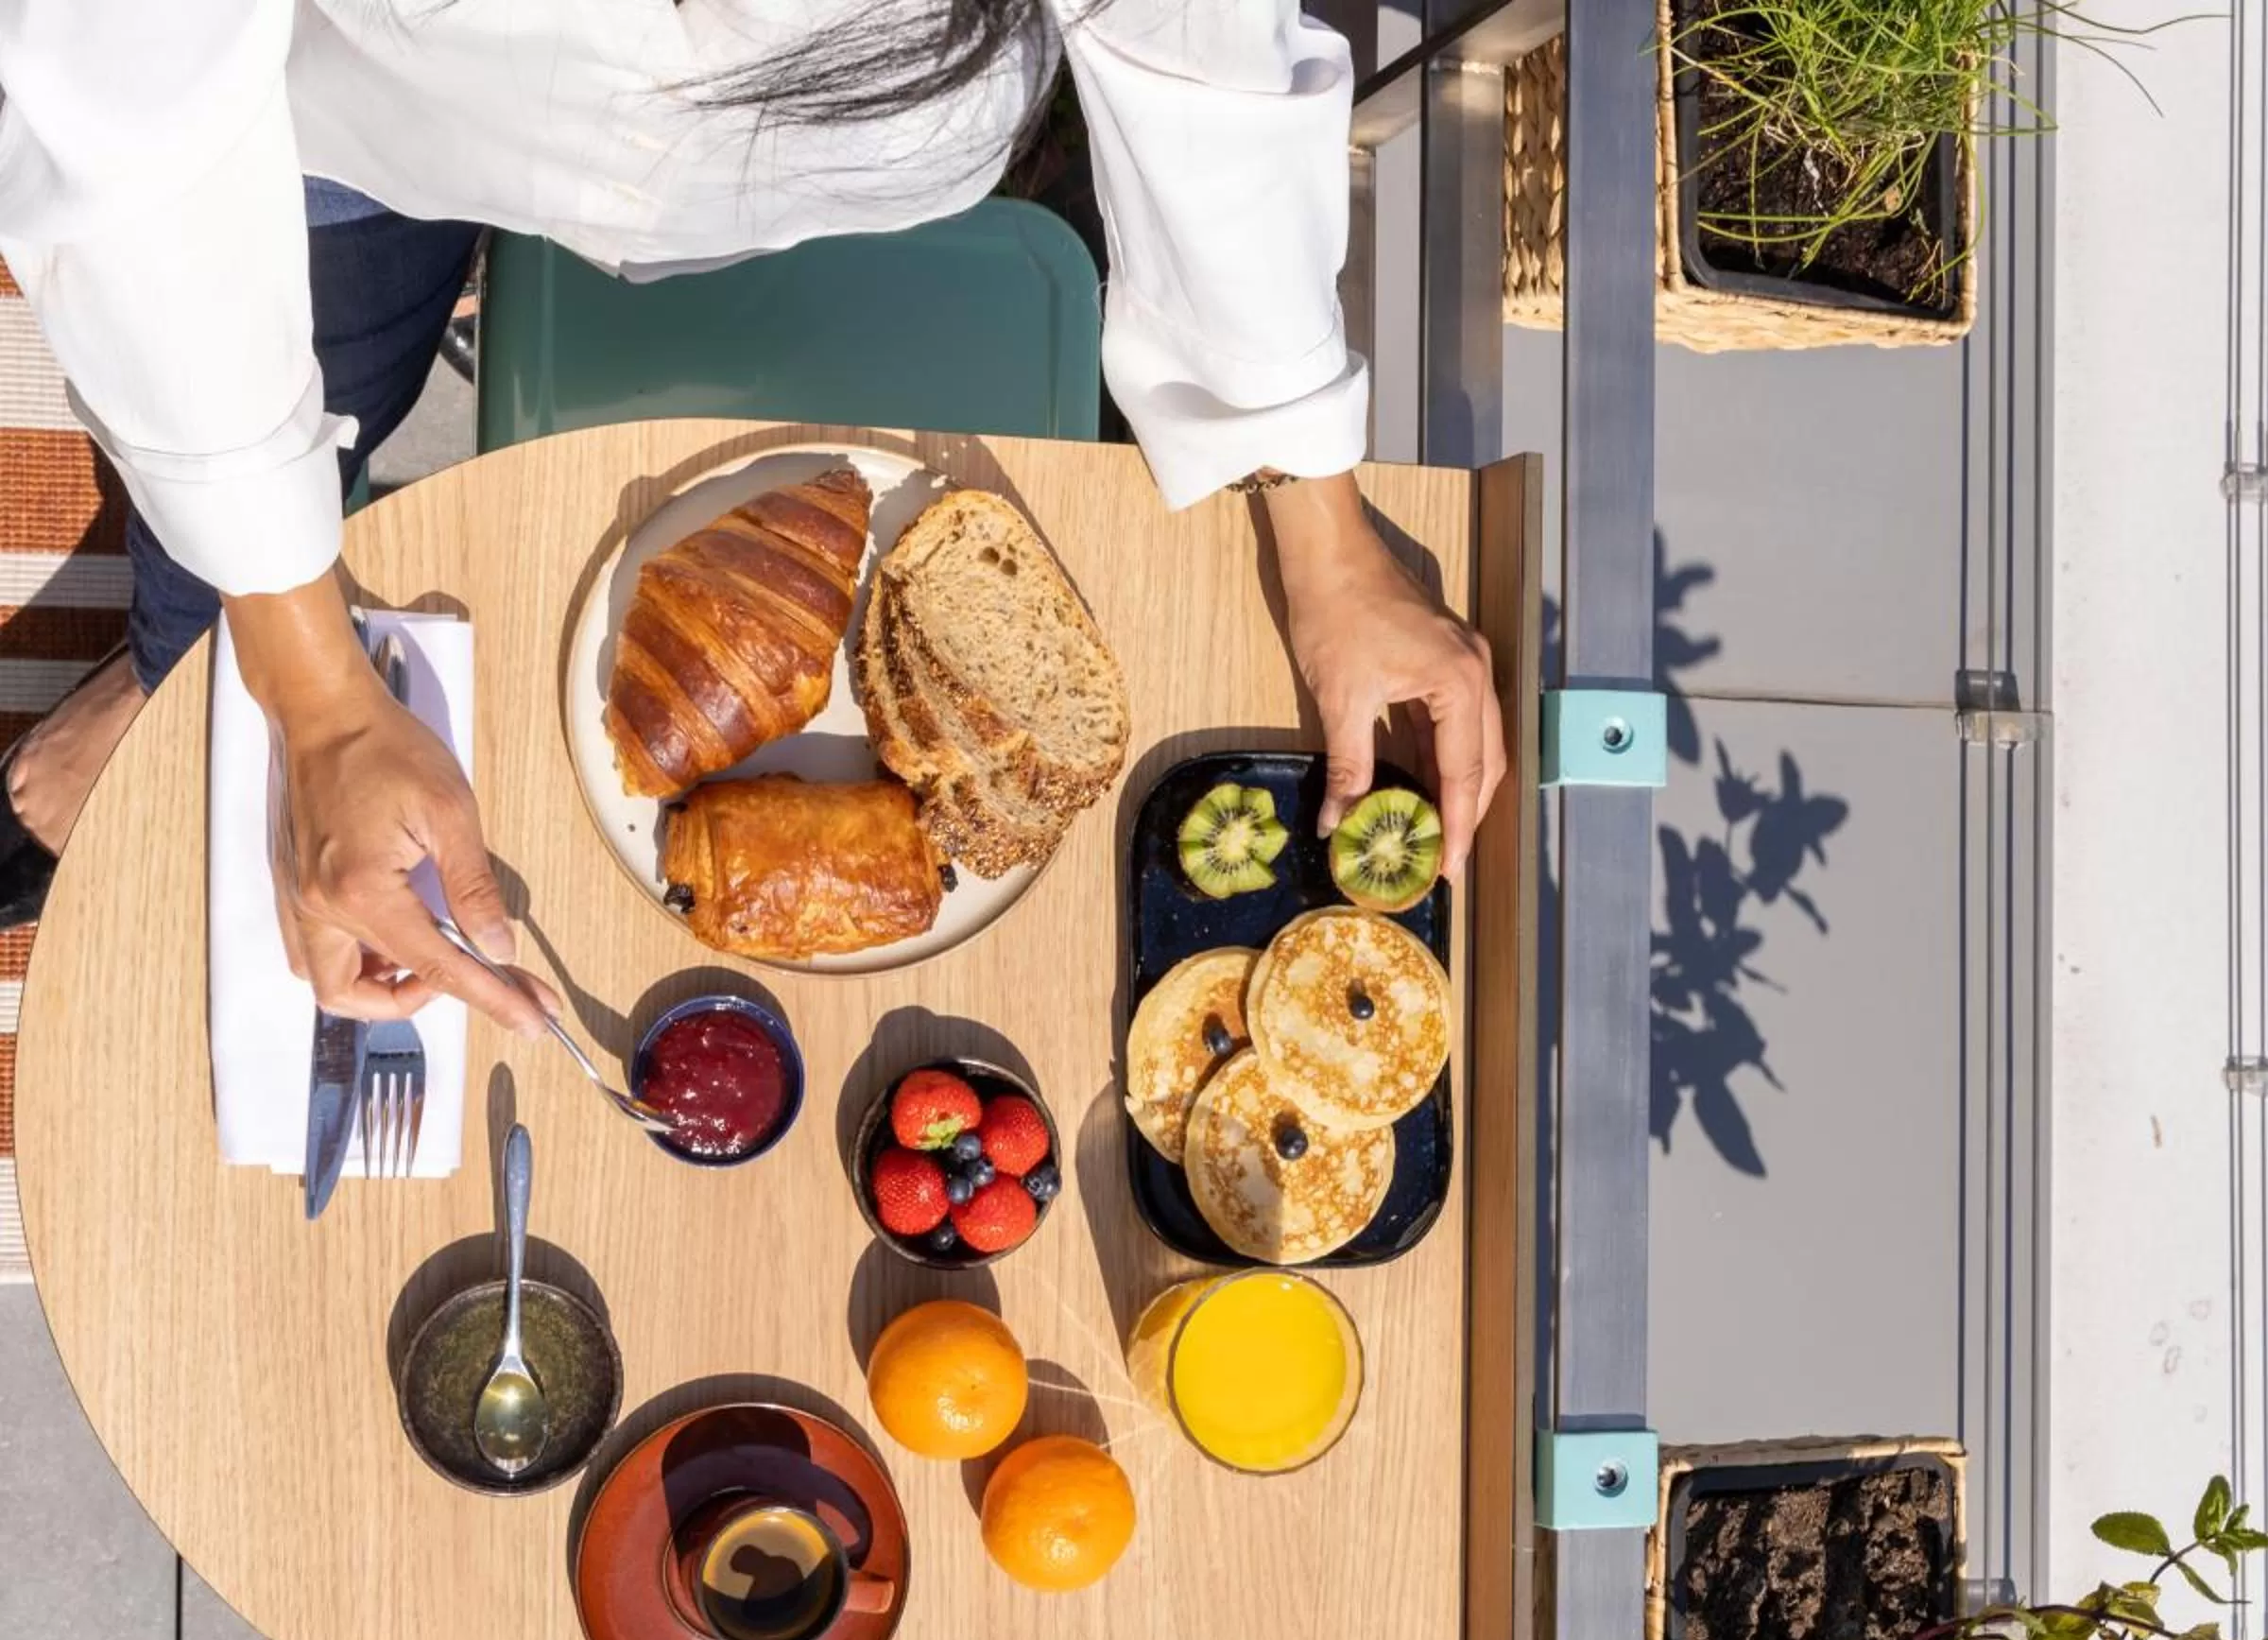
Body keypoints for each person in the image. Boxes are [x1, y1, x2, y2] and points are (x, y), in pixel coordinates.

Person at [0, 0, 1503, 1033]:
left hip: (837, 168)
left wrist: (1324, 528)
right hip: (351, 112)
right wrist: (319, 703)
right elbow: (137, 147)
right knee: (278, 432)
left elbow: (1196, 42)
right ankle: (176, 669)